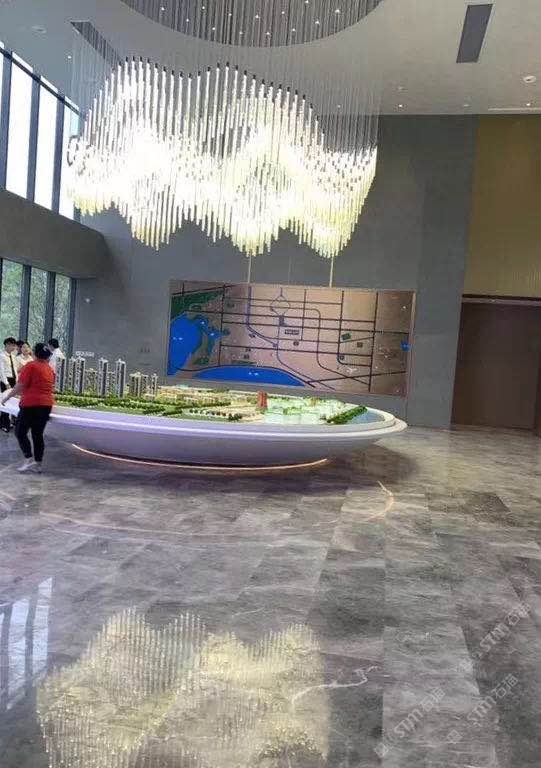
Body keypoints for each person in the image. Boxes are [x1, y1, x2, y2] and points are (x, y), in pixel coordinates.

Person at [1, 342, 55, 473]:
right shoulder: (49, 369)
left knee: (20, 432)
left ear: (34, 353)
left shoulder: (31, 366)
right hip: (46, 405)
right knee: (37, 434)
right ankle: (38, 464)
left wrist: (7, 398)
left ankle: (28, 458)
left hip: (31, 404)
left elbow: (20, 386)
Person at [0, 337, 18, 432]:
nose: (14, 347)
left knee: (11, 401)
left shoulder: (13, 357)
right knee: (5, 402)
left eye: (14, 345)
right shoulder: (2, 356)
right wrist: (6, 383)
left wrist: (17, 381)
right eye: (12, 345)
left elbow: (15, 369)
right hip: (5, 380)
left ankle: (6, 421)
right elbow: (1, 371)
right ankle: (4, 423)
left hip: (13, 380)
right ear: (7, 345)